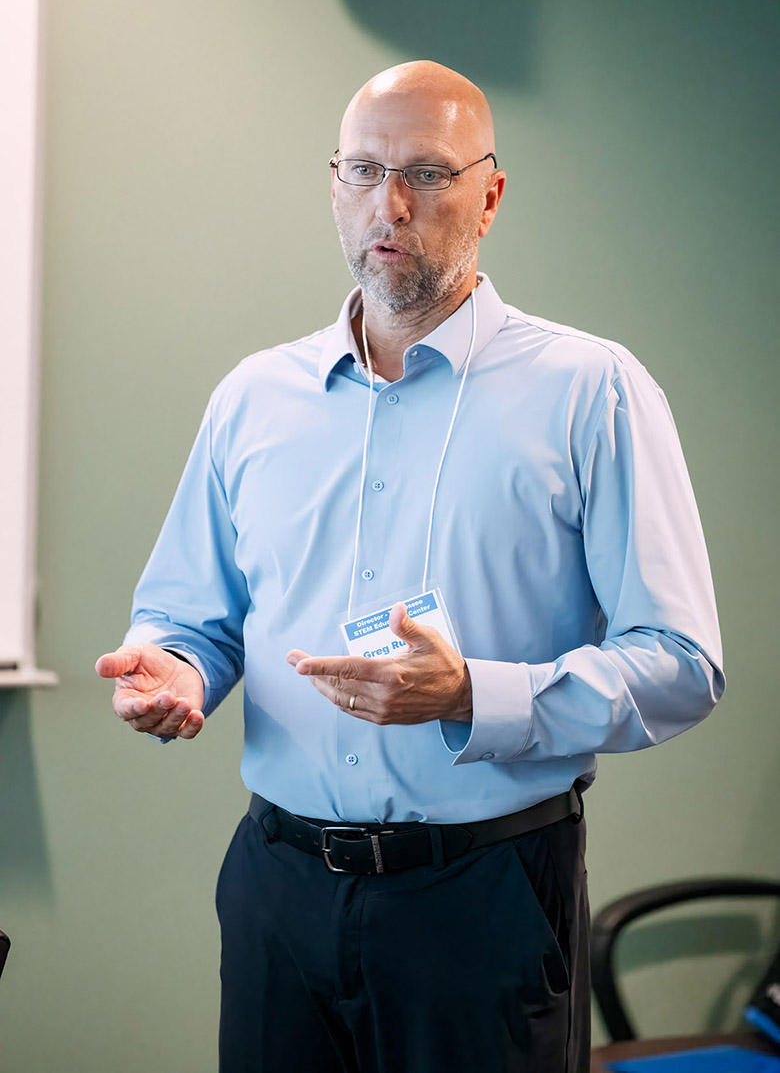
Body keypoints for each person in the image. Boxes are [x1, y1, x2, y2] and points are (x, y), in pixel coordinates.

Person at [96, 60, 725, 1073]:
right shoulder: (254, 398)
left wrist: (476, 692)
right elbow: (189, 616)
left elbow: (682, 661)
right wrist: (172, 667)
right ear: (333, 185)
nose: (391, 204)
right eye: (364, 170)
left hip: (482, 895)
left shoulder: (589, 390)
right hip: (278, 888)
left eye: (429, 173)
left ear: (491, 195)